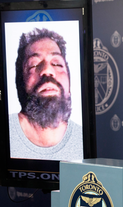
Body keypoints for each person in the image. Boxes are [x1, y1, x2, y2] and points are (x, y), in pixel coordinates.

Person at [9, 28, 83, 160]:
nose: (47, 70)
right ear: (20, 81)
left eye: (57, 64)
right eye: (34, 65)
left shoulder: (86, 142)